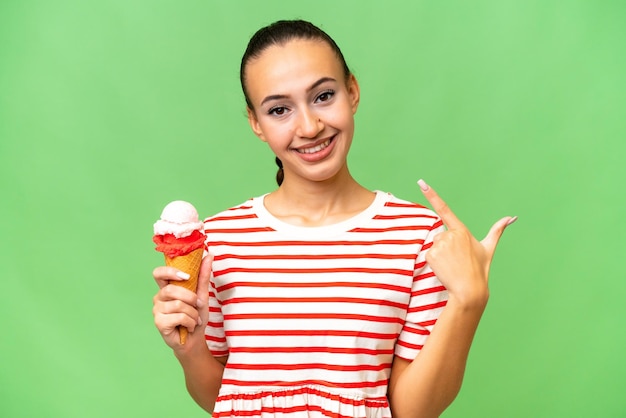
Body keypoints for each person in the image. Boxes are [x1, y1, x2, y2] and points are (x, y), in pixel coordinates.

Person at [152, 19, 516, 418]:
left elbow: (414, 411)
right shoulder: (220, 241)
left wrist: (469, 300)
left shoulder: (417, 238)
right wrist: (189, 351)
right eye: (279, 109)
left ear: (353, 92)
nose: (309, 126)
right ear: (256, 123)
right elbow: (224, 400)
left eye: (323, 96)